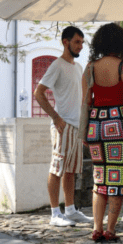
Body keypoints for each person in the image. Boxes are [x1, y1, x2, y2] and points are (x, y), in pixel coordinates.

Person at [82, 23, 123, 242]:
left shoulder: (89, 68)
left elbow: (86, 103)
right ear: (122, 43)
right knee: (118, 180)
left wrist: (85, 133)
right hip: (120, 127)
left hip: (97, 126)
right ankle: (110, 230)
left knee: (100, 178)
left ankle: (96, 229)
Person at [34, 26, 93, 227]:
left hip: (77, 126)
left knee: (71, 170)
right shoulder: (57, 65)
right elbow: (38, 92)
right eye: (77, 42)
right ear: (65, 42)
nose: (80, 46)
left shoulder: (77, 67)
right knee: (57, 168)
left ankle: (70, 209)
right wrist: (55, 117)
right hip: (63, 125)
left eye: (82, 42)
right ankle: (54, 214)